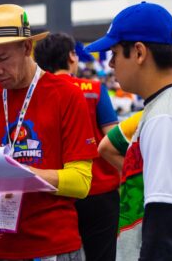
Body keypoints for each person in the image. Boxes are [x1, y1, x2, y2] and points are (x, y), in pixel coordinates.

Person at [0, 4, 98, 260]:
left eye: (2, 59)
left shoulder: (66, 95)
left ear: (26, 48)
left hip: (53, 245)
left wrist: (24, 174)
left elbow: (81, 183)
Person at [86, 2, 172, 260]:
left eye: (114, 53)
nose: (111, 64)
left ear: (138, 52)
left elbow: (163, 232)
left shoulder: (166, 119)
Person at [34, 32, 119, 261]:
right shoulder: (94, 88)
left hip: (57, 191)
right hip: (100, 191)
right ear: (72, 57)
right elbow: (113, 137)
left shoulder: (36, 95)